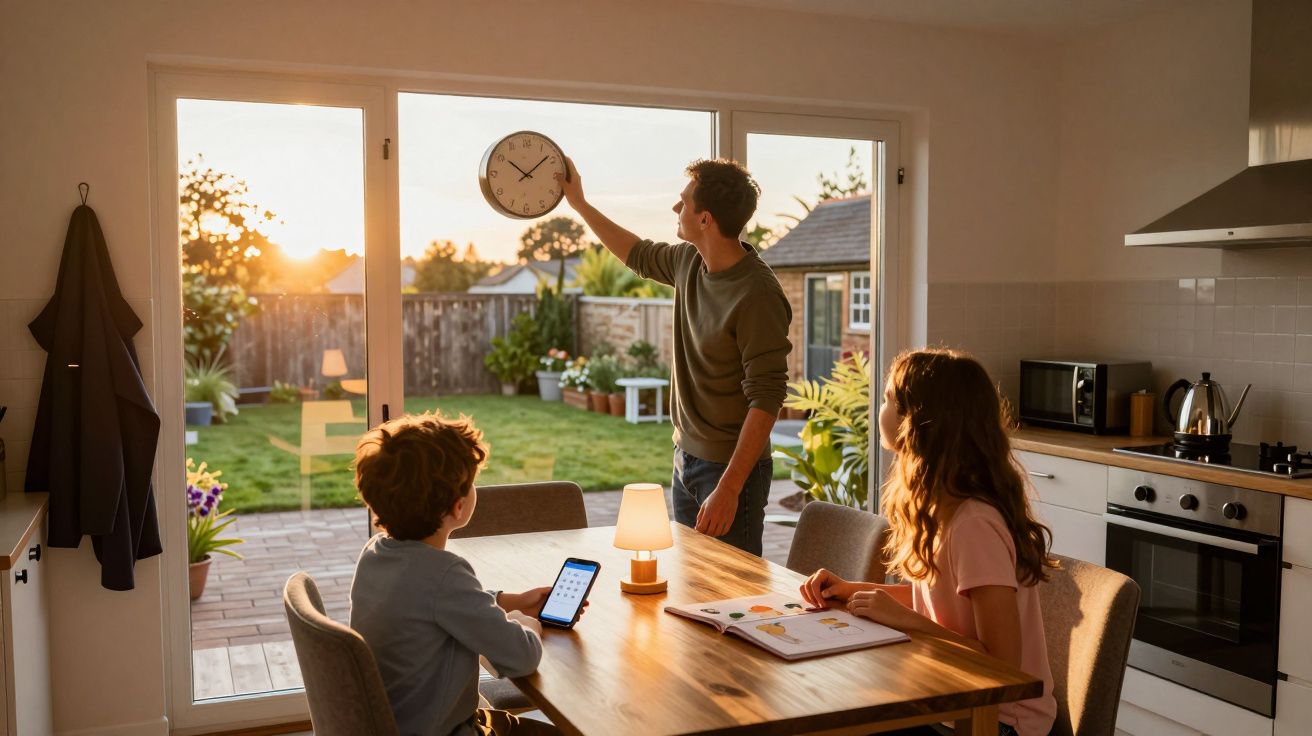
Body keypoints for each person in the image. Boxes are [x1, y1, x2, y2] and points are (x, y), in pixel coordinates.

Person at [799, 349, 1057, 736]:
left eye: (888, 400)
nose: (880, 406)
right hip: (952, 696)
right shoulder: (941, 507)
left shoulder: (974, 525)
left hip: (997, 720)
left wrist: (906, 621)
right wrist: (853, 590)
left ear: (917, 422)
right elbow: (939, 604)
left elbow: (1004, 664)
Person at [555, 158, 791, 555]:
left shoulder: (758, 294)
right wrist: (579, 203)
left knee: (732, 598)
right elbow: (637, 253)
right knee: (693, 586)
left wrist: (730, 488)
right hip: (687, 458)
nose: (674, 208)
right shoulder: (688, 262)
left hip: (731, 472)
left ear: (705, 219)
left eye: (683, 202)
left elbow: (767, 397)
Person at [349, 412, 560, 736]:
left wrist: (506, 600)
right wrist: (529, 622)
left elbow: (431, 605)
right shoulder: (445, 573)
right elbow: (521, 657)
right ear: (458, 507)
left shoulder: (375, 554)